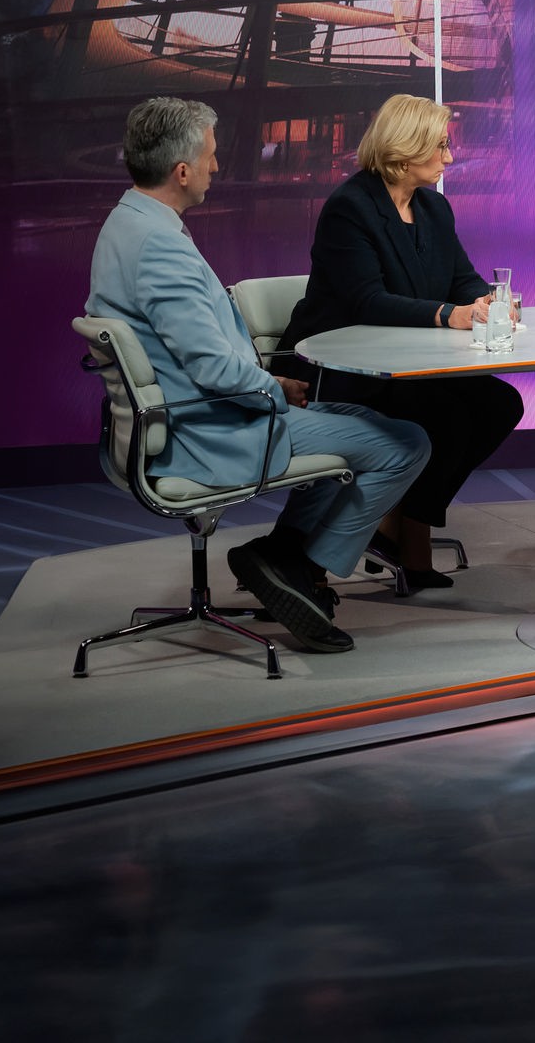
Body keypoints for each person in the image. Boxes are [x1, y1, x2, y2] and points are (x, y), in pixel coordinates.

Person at [86, 97, 430, 655]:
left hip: (191, 416)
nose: (216, 166)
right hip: (207, 430)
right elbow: (212, 368)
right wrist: (275, 389)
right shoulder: (158, 246)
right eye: (211, 155)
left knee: (357, 419)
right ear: (182, 171)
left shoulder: (126, 224)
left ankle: (282, 556)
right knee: (405, 443)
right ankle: (302, 570)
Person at [276, 93, 524, 589]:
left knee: (500, 404)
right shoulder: (351, 207)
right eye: (440, 146)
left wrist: (489, 301)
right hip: (344, 367)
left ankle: (402, 521)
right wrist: (449, 315)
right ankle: (398, 541)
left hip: (408, 363)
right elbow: (366, 301)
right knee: (448, 417)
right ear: (405, 150)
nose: (449, 156)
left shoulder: (434, 207)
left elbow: (461, 277)